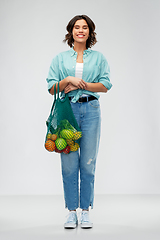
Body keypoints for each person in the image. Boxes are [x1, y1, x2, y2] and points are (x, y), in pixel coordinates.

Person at [46, 15, 112, 229]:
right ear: (71, 31)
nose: (80, 30)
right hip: (68, 112)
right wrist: (67, 81)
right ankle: (71, 212)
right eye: (77, 27)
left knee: (88, 164)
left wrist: (81, 86)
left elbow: (105, 85)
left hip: (91, 110)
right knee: (69, 163)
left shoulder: (99, 58)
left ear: (90, 32)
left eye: (85, 27)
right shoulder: (60, 58)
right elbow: (51, 88)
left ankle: (85, 211)